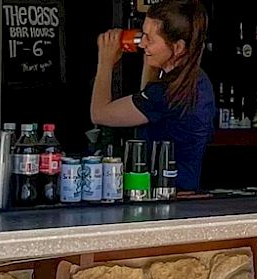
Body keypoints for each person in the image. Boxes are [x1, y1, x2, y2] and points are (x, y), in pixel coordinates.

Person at [90, 0, 214, 191]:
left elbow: (100, 113)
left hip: (169, 192)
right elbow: (146, 94)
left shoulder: (165, 95)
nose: (142, 44)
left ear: (178, 47)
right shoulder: (196, 81)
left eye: (150, 38)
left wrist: (105, 61)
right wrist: (152, 57)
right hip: (184, 188)